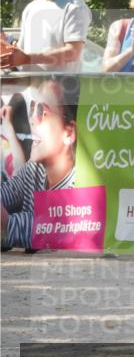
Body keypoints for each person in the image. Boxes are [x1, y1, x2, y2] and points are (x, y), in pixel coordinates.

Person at [1, 77, 78, 250]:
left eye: (42, 111)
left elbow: (46, 228)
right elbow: (4, 194)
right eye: (32, 108)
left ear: (68, 133)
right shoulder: (35, 169)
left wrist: (8, 226)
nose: (32, 119)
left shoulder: (79, 188)